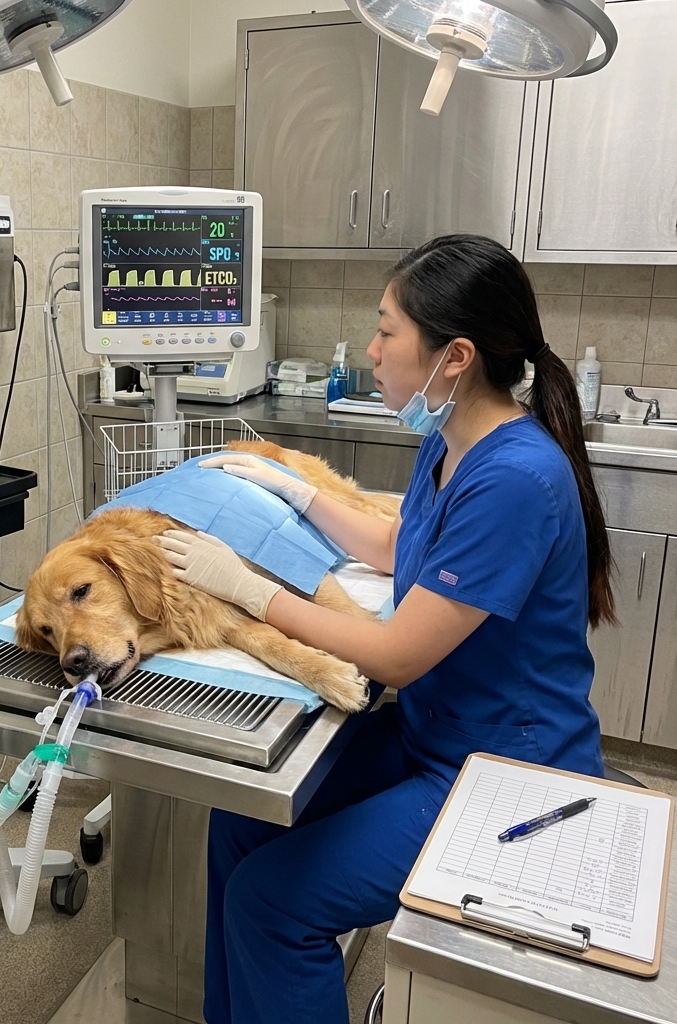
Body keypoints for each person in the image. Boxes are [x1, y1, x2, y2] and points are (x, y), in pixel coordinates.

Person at [153, 234, 614, 1024]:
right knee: (239, 819)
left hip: (505, 773)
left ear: (455, 356)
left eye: (386, 330)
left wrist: (249, 594)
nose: (371, 349)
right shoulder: (451, 442)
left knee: (272, 905)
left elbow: (398, 656)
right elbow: (402, 545)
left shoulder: (515, 478)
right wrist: (292, 488)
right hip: (432, 739)